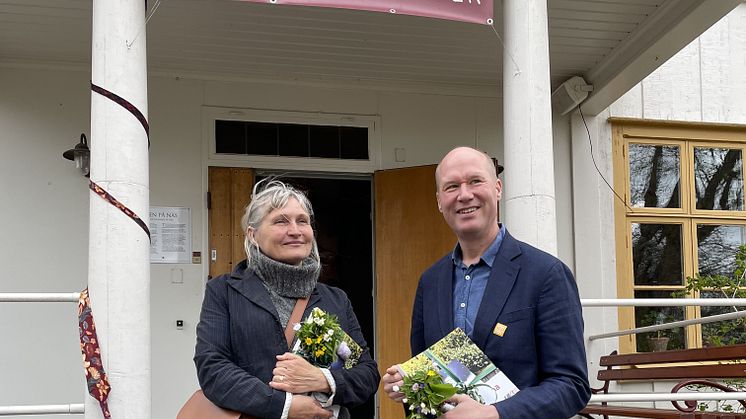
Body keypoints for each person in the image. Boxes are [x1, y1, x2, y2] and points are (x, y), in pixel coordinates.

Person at [382, 147, 590, 419]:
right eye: (452, 186)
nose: (464, 194)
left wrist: (495, 413)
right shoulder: (430, 282)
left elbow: (571, 385)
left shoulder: (546, 274)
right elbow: (430, 379)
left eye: (475, 181)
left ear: (498, 188)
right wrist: (409, 384)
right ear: (439, 201)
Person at [195, 179, 380, 419]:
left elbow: (366, 374)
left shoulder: (335, 298)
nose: (295, 230)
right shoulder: (224, 291)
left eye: (302, 221)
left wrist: (323, 380)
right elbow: (213, 368)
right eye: (281, 221)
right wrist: (283, 406)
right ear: (253, 235)